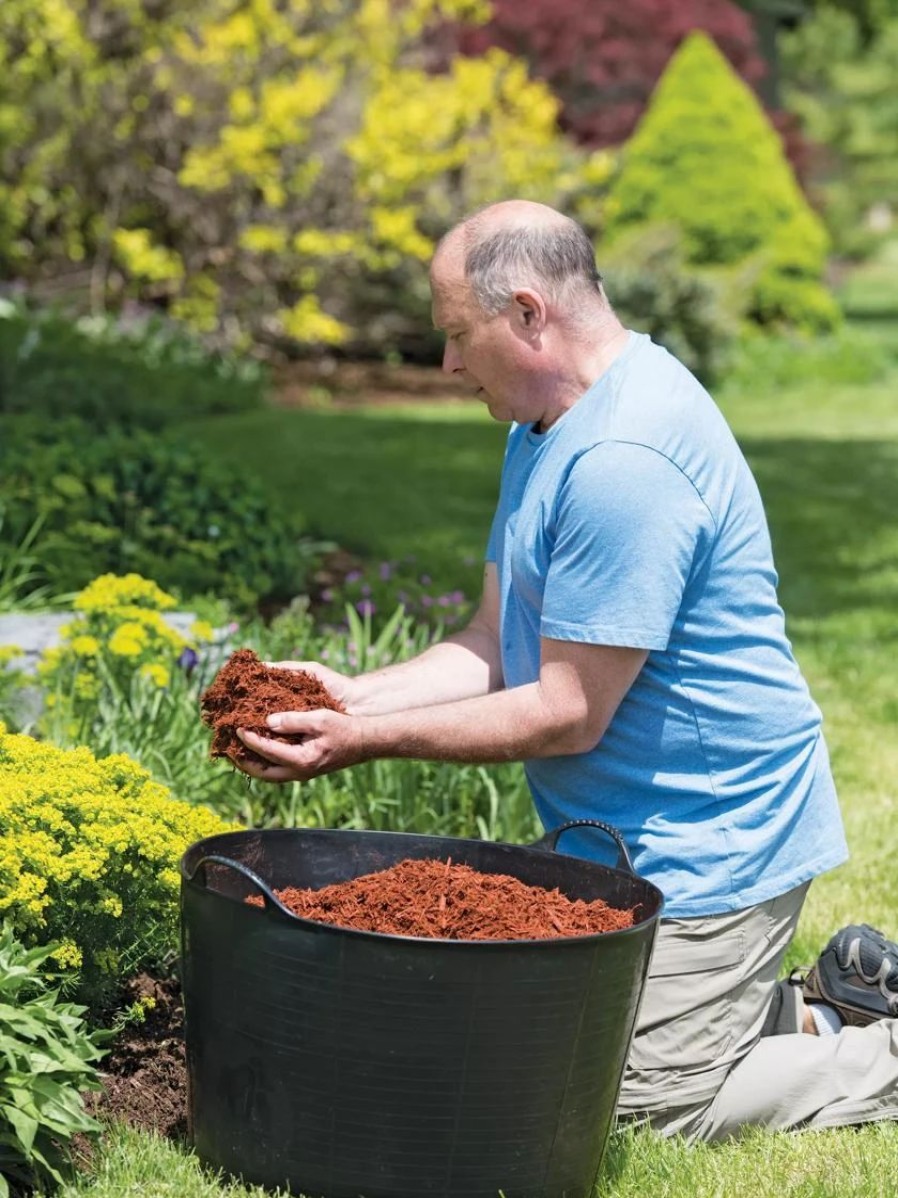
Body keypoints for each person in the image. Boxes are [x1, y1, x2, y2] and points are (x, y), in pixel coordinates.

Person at [232, 200, 898, 1141]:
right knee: (535, 1046)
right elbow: (492, 638)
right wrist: (347, 696)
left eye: (458, 337)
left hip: (716, 843)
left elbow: (566, 711)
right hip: (623, 843)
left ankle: (867, 1054)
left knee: (621, 1108)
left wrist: (363, 744)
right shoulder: (543, 425)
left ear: (528, 313)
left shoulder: (626, 458)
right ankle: (811, 1007)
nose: (448, 366)